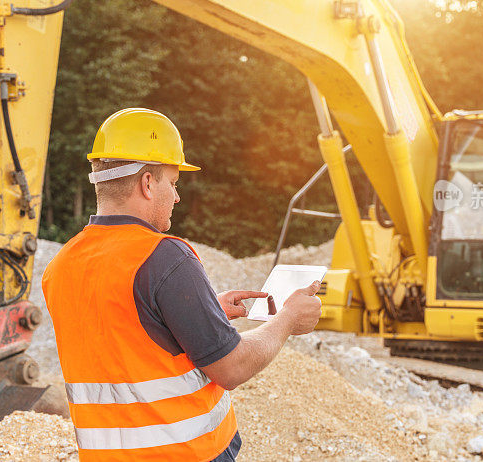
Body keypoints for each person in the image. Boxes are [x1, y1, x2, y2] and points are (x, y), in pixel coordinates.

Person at [42, 108, 322, 462]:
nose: (175, 197)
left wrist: (198, 313)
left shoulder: (61, 266)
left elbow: (122, 337)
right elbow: (232, 367)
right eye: (172, 183)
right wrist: (287, 319)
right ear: (147, 183)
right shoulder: (164, 258)